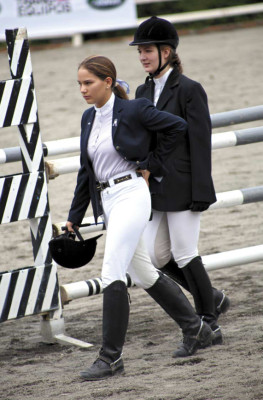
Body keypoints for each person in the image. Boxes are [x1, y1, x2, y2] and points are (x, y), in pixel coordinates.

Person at [66, 55, 215, 381]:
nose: (82, 90)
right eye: (79, 84)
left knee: (112, 271)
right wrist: (74, 217)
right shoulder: (87, 118)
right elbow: (85, 171)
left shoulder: (133, 109)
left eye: (88, 83)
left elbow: (178, 126)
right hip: (107, 199)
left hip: (132, 195)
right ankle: (197, 329)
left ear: (108, 81)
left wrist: (152, 163)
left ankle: (110, 358)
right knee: (144, 271)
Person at [129, 16, 230, 345]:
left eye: (147, 51)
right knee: (155, 257)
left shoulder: (188, 89)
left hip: (184, 184)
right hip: (155, 186)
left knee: (185, 252)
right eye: (140, 51)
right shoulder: (143, 90)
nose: (142, 57)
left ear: (167, 52)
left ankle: (208, 322)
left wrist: (202, 190)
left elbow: (200, 142)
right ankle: (210, 297)